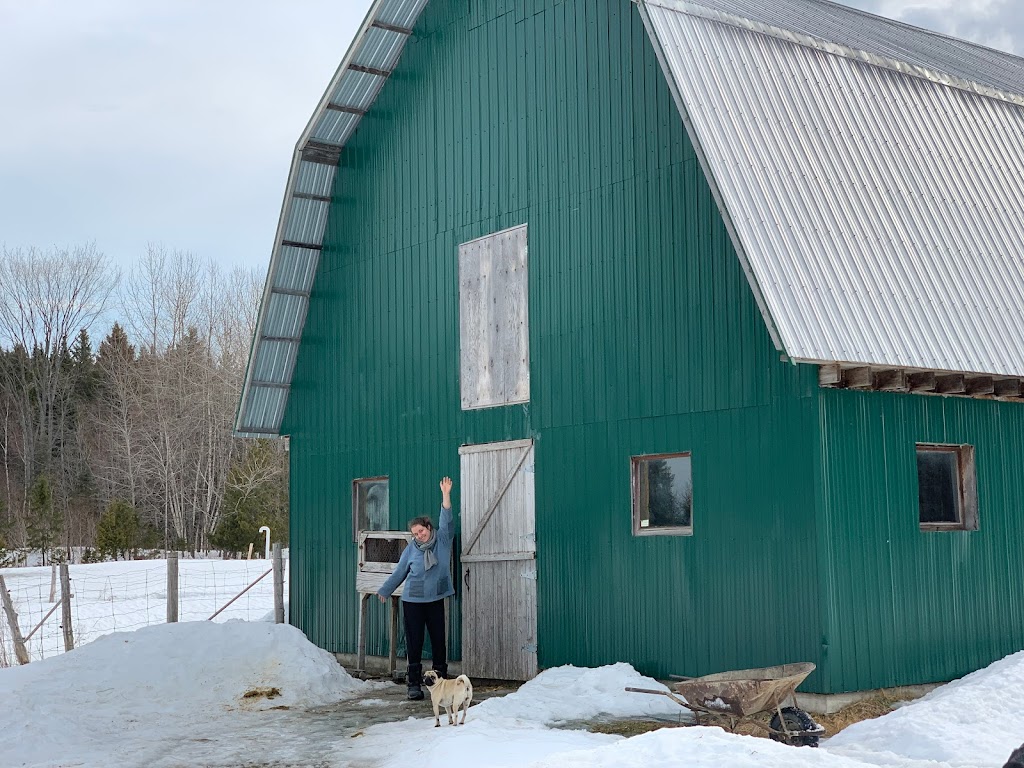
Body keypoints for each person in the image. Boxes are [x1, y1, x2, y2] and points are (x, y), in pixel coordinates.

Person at [377, 476, 456, 700]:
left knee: (439, 639)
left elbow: (447, 518)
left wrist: (446, 494)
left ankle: (441, 682)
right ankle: (413, 684)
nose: (419, 536)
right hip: (413, 600)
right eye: (415, 534)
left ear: (429, 528)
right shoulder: (411, 549)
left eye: (421, 531)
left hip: (436, 598)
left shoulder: (442, 539)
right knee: (415, 641)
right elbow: (400, 572)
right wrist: (385, 589)